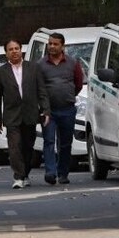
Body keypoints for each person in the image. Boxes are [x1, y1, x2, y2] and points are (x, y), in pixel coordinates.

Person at [0, 38, 50, 189]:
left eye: (16, 48)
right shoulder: (1, 72)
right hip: (12, 116)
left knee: (28, 147)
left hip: (30, 114)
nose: (14, 52)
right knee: (14, 146)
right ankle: (18, 176)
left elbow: (42, 91)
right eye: (10, 49)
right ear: (6, 53)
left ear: (21, 50)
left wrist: (45, 110)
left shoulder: (33, 68)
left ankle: (25, 174)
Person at [38, 32, 84, 185]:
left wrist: (68, 95)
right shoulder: (41, 64)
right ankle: (50, 172)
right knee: (49, 141)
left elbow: (78, 83)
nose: (52, 46)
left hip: (67, 109)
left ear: (62, 46)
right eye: (50, 43)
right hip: (48, 111)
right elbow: (38, 87)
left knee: (65, 143)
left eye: (55, 44)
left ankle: (63, 173)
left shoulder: (72, 63)